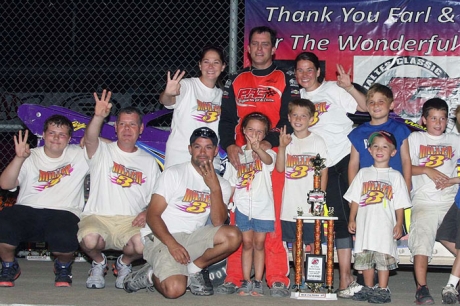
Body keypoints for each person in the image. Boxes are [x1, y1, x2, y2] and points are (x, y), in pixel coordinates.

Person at [217, 25, 296, 298]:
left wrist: (269, 141)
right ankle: (235, 277)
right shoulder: (235, 79)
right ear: (248, 49)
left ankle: (276, 278)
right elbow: (226, 120)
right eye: (255, 44)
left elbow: (289, 118)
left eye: (265, 44)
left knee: (268, 223)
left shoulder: (285, 77)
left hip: (269, 157)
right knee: (238, 222)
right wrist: (229, 145)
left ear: (274, 49)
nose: (260, 48)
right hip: (242, 160)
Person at [123, 127, 241, 298]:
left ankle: (194, 270)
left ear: (215, 151)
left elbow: (218, 222)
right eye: (197, 146)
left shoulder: (221, 184)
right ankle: (149, 275)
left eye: (208, 147)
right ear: (190, 149)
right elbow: (152, 215)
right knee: (175, 290)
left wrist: (214, 188)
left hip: (192, 238)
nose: (202, 152)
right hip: (162, 238)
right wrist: (172, 244)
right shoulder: (174, 173)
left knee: (233, 235)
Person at [295, 51, 367, 295]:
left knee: (341, 220)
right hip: (311, 167)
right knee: (309, 220)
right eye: (300, 70)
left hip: (338, 162)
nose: (304, 74)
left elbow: (365, 107)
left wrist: (349, 88)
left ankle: (345, 277)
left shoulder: (333, 89)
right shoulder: (297, 98)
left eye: (309, 69)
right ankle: (307, 276)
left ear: (317, 72)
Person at [78, 90, 160, 289]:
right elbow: (89, 139)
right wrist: (98, 116)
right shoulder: (103, 151)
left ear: (140, 129)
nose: (127, 129)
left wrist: (147, 211)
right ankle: (99, 262)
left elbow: (158, 196)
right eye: (122, 123)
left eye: (132, 124)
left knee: (144, 244)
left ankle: (123, 264)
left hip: (130, 221)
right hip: (98, 217)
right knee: (89, 241)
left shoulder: (149, 161)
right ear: (115, 128)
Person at [0, 115, 89, 287]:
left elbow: (115, 148)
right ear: (43, 135)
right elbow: (5, 184)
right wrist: (19, 158)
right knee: (4, 223)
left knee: (65, 237)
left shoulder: (79, 155)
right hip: (27, 209)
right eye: (52, 133)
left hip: (64, 211)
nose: (56, 138)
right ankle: (9, 265)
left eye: (62, 134)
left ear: (70, 139)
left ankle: (63, 266)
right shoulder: (30, 155)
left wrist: (93, 139)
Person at [346, 83, 412, 297]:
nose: (376, 106)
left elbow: (406, 160)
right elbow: (353, 164)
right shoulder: (359, 132)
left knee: (385, 244)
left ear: (391, 105)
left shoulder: (399, 129)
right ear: (366, 105)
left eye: (381, 101)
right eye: (371, 102)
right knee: (364, 245)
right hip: (365, 195)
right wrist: (352, 196)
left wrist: (407, 189)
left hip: (390, 196)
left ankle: (382, 288)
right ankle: (368, 286)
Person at [409, 99, 460, 304]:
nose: (438, 123)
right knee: (422, 239)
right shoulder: (415, 138)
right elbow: (404, 167)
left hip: (451, 200)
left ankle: (454, 283)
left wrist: (453, 181)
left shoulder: (455, 140)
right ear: (424, 120)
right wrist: (426, 170)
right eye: (433, 118)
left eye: (442, 118)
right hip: (424, 200)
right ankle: (422, 288)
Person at [275, 98, 329, 289]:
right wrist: (281, 147)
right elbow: (280, 169)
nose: (299, 119)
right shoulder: (286, 140)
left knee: (314, 243)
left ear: (311, 119)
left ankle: (316, 278)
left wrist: (320, 198)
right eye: (295, 115)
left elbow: (323, 171)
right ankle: (301, 277)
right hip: (290, 203)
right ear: (289, 118)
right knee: (296, 244)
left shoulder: (317, 141)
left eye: (303, 116)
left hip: (311, 204)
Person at [224, 112, 276, 296]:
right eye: (251, 130)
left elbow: (269, 162)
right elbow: (230, 182)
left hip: (263, 207)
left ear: (265, 134)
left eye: (260, 132)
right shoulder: (236, 155)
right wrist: (225, 204)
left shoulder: (267, 153)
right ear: (244, 131)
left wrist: (258, 149)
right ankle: (246, 280)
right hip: (243, 207)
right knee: (246, 243)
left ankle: (258, 281)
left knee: (259, 244)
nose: (255, 134)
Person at [160, 45, 226, 170]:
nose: (210, 67)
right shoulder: (187, 85)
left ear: (223, 67)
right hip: (180, 159)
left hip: (210, 162)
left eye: (216, 62)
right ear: (200, 65)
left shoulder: (223, 96)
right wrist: (168, 93)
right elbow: (167, 102)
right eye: (206, 62)